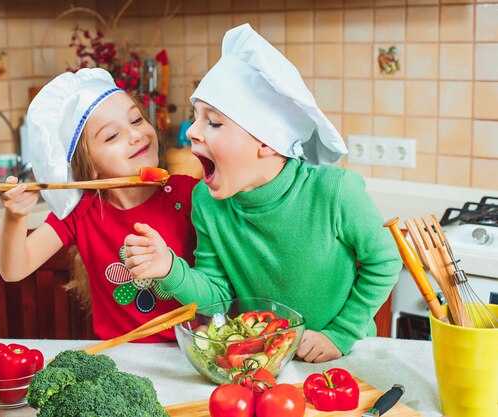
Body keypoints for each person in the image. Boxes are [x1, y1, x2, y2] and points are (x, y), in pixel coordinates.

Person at [124, 24, 402, 361]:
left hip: (345, 357)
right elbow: (219, 299)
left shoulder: (333, 192)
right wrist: (170, 268)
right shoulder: (207, 202)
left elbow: (385, 261)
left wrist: (341, 333)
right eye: (196, 117)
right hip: (261, 359)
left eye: (213, 122)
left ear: (266, 142)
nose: (193, 132)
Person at [0, 68, 198, 342]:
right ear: (89, 166)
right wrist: (15, 216)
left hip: (191, 355)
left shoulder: (189, 194)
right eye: (112, 136)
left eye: (137, 120)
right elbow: (14, 269)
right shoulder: (82, 212)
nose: (135, 134)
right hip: (121, 360)